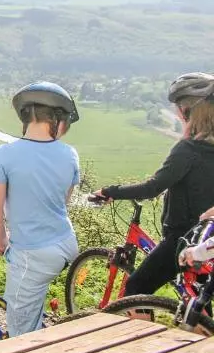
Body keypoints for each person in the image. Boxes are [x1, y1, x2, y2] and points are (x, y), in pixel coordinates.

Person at [91, 72, 214, 296]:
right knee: (196, 301)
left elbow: (152, 187)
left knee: (135, 289)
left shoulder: (188, 150)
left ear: (187, 111)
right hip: (208, 240)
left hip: (183, 239)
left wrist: (110, 192)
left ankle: (142, 320)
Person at [0, 81, 81, 337]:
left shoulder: (4, 154)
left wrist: (2, 241)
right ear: (58, 120)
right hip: (65, 243)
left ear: (25, 116)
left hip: (32, 254)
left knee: (21, 334)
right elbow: (64, 201)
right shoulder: (70, 154)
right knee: (35, 301)